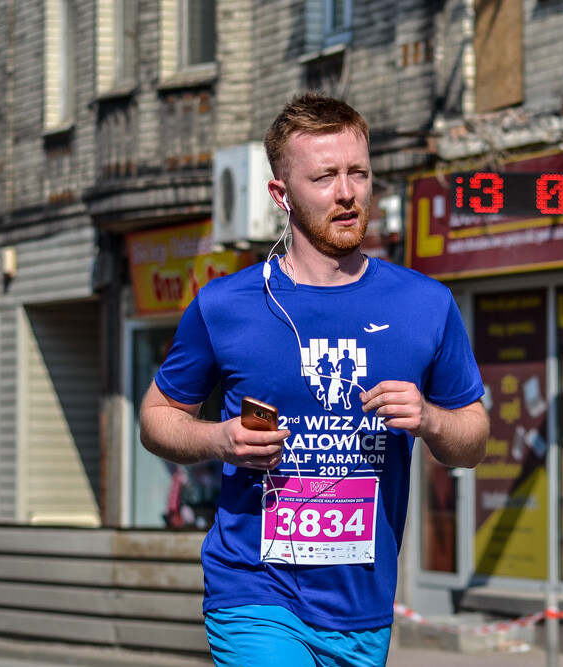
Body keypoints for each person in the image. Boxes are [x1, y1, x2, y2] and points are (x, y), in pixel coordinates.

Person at [139, 92, 489, 667]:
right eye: (325, 177)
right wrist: (219, 439)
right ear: (281, 194)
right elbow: (157, 418)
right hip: (252, 591)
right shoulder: (228, 305)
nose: (347, 192)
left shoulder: (426, 304)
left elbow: (473, 441)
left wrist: (429, 418)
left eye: (359, 173)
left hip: (362, 608)